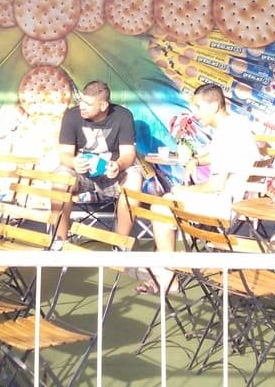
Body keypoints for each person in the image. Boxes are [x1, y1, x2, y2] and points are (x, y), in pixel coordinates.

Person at [139, 84, 260, 294]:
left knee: (161, 207)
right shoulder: (235, 125)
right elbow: (213, 155)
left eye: (198, 107)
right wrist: (195, 160)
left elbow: (215, 185)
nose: (195, 113)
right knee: (168, 199)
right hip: (239, 201)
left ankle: (168, 276)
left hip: (226, 204)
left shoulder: (227, 133)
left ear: (214, 106)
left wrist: (185, 191)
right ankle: (166, 270)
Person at [55, 80, 143, 240]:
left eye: (88, 104)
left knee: (135, 178)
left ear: (103, 106)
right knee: (60, 179)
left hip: (112, 174)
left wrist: (118, 165)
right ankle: (59, 241)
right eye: (81, 101)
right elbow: (65, 154)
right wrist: (74, 162)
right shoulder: (71, 116)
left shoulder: (123, 116)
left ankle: (121, 244)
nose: (82, 106)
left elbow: (129, 154)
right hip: (82, 175)